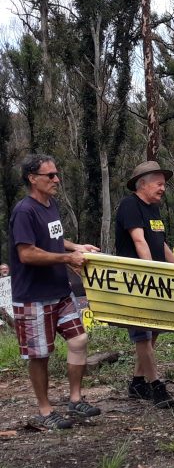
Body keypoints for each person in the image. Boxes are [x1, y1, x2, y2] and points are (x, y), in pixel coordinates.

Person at [9, 154, 101, 430]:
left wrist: (75, 248)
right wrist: (66, 259)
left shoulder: (52, 205)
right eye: (50, 175)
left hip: (61, 293)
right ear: (32, 178)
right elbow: (27, 253)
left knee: (79, 339)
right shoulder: (24, 211)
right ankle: (45, 410)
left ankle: (75, 399)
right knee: (40, 355)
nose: (56, 179)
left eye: (56, 174)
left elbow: (54, 239)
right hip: (33, 296)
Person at [115, 161, 174, 409]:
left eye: (164, 184)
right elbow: (139, 241)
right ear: (143, 183)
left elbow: (159, 243)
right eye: (159, 183)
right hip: (135, 280)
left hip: (154, 278)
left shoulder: (153, 208)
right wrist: (152, 272)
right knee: (142, 334)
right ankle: (156, 386)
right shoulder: (130, 205)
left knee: (153, 331)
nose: (163, 188)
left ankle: (137, 382)